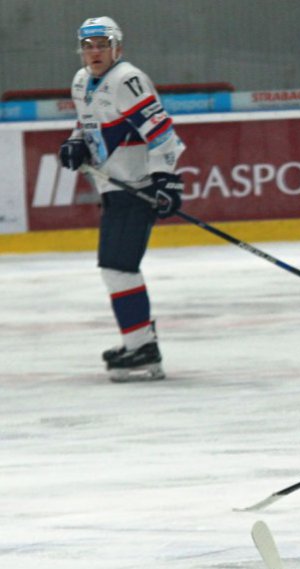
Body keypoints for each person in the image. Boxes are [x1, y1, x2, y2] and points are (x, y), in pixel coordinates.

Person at [58, 17, 185, 382]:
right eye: (88, 46)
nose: (94, 52)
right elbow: (87, 124)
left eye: (102, 44)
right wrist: (76, 143)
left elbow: (162, 133)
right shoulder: (81, 81)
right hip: (113, 187)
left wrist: (166, 179)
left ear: (118, 48)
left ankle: (141, 346)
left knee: (118, 267)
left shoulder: (128, 80)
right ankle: (140, 342)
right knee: (117, 268)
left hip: (136, 187)